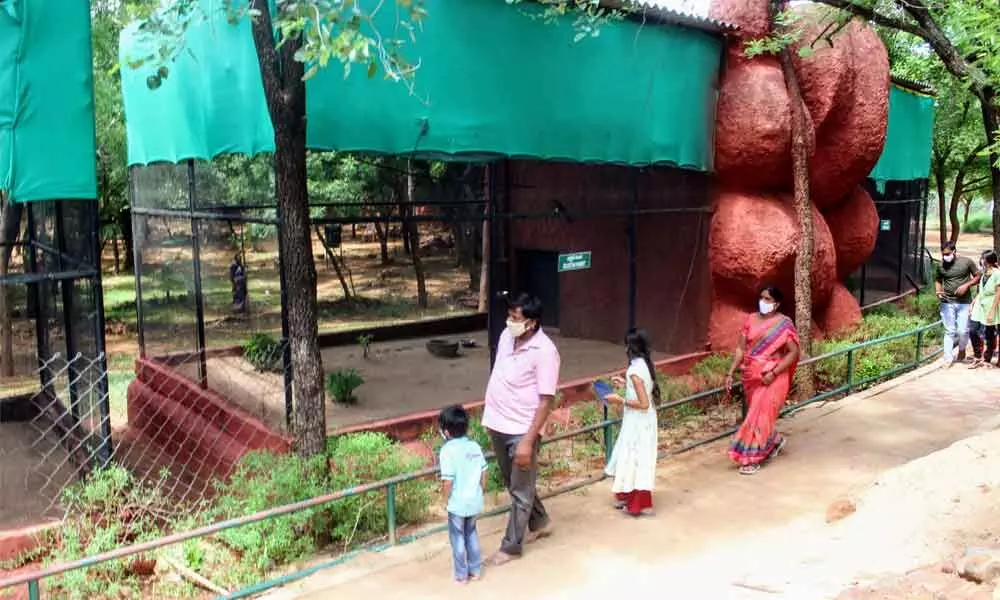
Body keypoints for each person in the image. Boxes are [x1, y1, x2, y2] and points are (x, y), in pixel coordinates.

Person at [482, 292, 560, 566]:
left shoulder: (545, 352)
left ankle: (511, 546)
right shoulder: (506, 336)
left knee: (520, 489)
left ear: (532, 323)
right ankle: (540, 522)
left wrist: (528, 440)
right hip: (497, 423)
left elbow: (546, 399)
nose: (509, 321)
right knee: (514, 483)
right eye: (509, 316)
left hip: (521, 429)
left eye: (515, 318)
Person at [724, 285, 800, 476]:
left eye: (767, 299)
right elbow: (741, 349)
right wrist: (731, 372)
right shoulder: (750, 319)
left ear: (776, 303)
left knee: (757, 417)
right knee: (759, 416)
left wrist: (774, 373)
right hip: (751, 376)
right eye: (761, 298)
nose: (763, 302)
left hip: (772, 376)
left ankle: (751, 458)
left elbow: (793, 353)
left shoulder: (784, 324)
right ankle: (775, 441)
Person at [604, 328, 661, 517]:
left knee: (634, 458)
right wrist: (624, 384)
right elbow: (642, 390)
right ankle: (631, 498)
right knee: (635, 457)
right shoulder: (644, 365)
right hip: (643, 420)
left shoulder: (635, 371)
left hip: (639, 421)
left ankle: (637, 503)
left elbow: (643, 403)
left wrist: (618, 399)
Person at [438, 404, 487, 584]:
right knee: (472, 533)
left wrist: (445, 500)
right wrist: (481, 490)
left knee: (458, 538)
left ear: (446, 432)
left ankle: (461, 575)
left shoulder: (447, 451)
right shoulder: (474, 446)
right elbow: (484, 472)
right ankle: (475, 570)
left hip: (457, 504)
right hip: (474, 500)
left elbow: (448, 481)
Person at [936, 242, 980, 367]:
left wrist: (966, 285)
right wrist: (938, 292)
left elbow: (977, 276)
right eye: (944, 254)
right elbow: (938, 280)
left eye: (948, 254)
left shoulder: (967, 262)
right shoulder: (940, 265)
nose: (946, 256)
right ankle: (948, 359)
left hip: (964, 303)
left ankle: (961, 349)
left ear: (954, 251)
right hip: (947, 302)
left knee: (963, 331)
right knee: (949, 331)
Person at [969, 250, 1000, 368]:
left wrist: (992, 311)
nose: (981, 260)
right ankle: (977, 356)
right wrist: (973, 302)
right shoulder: (983, 272)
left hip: (991, 305)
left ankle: (987, 358)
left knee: (989, 333)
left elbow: (998, 293)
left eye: (983, 258)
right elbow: (981, 290)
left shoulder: (997, 273)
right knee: (972, 330)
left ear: (989, 261)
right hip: (980, 304)